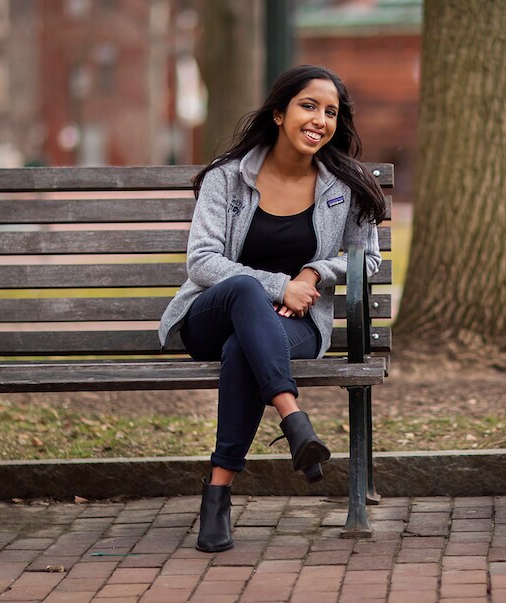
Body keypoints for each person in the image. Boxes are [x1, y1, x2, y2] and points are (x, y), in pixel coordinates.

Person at [158, 65, 384, 553]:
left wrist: (314, 274)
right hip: (212, 314)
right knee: (243, 289)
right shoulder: (227, 177)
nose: (320, 120)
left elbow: (366, 259)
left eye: (331, 112)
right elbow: (202, 261)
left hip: (296, 324)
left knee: (244, 349)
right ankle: (292, 415)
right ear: (279, 113)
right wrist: (281, 286)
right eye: (309, 106)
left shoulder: (345, 186)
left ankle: (217, 493)